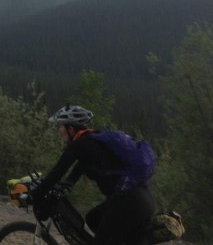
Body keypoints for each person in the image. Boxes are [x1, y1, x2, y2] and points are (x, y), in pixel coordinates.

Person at [32, 104, 155, 245]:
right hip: (140, 199)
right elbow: (82, 164)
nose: (60, 130)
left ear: (70, 129)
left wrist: (34, 195)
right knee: (92, 219)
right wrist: (68, 183)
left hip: (129, 202)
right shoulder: (92, 139)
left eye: (61, 126)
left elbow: (56, 173)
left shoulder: (79, 145)